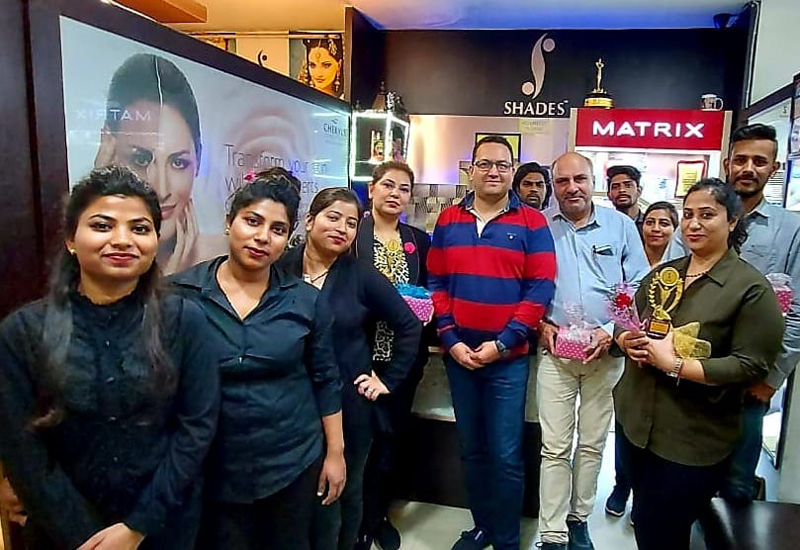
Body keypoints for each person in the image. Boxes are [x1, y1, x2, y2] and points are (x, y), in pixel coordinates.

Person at [0, 166, 220, 549]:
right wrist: (82, 536)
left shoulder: (186, 320)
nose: (122, 240)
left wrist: (137, 526)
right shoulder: (23, 332)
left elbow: (196, 429)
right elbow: (22, 449)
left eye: (139, 228)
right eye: (102, 226)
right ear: (71, 238)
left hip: (163, 527)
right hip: (61, 534)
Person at [172, 168, 345, 550]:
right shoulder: (181, 294)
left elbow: (325, 378)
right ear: (229, 222)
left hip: (292, 461)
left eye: (278, 229)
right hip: (212, 465)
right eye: (252, 221)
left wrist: (335, 453)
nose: (262, 237)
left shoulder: (305, 300)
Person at [615, 178, 784, 550]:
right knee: (645, 520)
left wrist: (675, 365)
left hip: (690, 439)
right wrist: (626, 340)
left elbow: (750, 366)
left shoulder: (750, 289)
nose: (694, 224)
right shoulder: (663, 275)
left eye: (707, 215)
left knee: (664, 531)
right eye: (688, 215)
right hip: (635, 423)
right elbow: (628, 322)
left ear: (733, 221)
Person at [428, 135, 556, 550]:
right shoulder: (448, 221)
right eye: (485, 164)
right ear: (471, 169)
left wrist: (502, 344)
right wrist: (449, 338)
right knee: (473, 451)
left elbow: (539, 290)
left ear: (512, 170)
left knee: (505, 455)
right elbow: (437, 283)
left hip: (508, 360)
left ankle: (506, 540)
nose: (494, 172)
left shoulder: (532, 223)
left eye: (502, 165)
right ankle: (482, 525)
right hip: (460, 356)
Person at [664, 124, 800, 504]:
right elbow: (668, 287)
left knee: (737, 483)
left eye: (760, 161)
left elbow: (799, 312)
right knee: (684, 480)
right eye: (741, 159)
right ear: (728, 163)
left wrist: (772, 377)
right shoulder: (693, 222)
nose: (748, 168)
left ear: (774, 168)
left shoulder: (792, 230)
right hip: (688, 376)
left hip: (747, 382)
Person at [279, 187, 421, 550]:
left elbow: (409, 324)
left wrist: (387, 380)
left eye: (351, 223)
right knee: (298, 494)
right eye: (332, 217)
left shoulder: (360, 274)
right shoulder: (280, 268)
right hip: (293, 402)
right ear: (309, 221)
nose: (342, 228)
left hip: (349, 405)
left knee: (345, 489)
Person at [537, 152, 649, 550]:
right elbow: (528, 282)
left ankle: (577, 518)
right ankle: (551, 531)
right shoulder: (540, 227)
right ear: (554, 186)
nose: (572, 188)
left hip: (605, 354)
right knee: (554, 445)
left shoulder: (620, 227)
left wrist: (610, 331)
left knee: (592, 442)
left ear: (592, 181)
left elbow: (639, 283)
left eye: (579, 179)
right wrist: (540, 322)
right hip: (556, 354)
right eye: (563, 181)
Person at [353, 162, 431, 550]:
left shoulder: (419, 239)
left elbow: (429, 289)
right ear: (372, 189)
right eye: (387, 185)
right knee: (357, 440)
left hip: (401, 361)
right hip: (358, 357)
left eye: (403, 188)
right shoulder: (353, 235)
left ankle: (378, 515)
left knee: (390, 442)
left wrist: (428, 307)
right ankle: (354, 518)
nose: (394, 194)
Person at [95, 53, 225, 274]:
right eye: (141, 159)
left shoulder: (221, 258)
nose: (161, 190)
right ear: (109, 149)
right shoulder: (83, 257)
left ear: (199, 158)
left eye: (178, 162)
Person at [606, 165, 644, 236]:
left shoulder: (649, 225)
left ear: (639, 191)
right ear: (609, 195)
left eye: (628, 185)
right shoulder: (604, 225)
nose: (621, 190)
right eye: (615, 187)